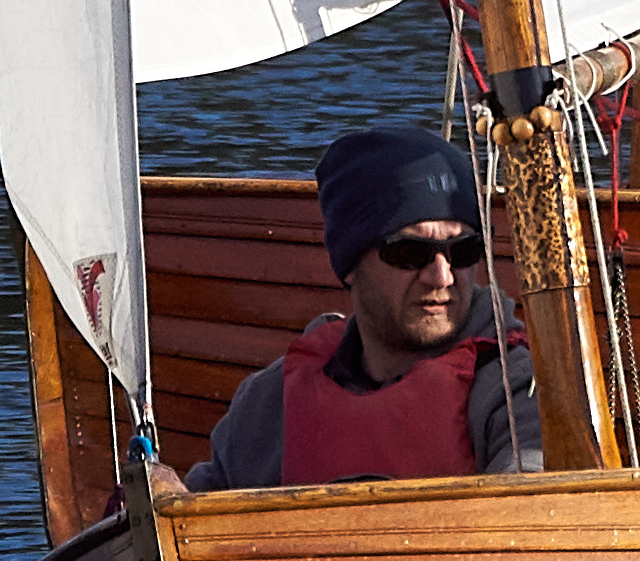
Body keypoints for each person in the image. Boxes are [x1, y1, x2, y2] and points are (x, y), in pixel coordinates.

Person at [194, 120, 542, 487]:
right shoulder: (268, 403)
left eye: (464, 250)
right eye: (409, 252)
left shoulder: (522, 395)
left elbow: (539, 493)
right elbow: (190, 514)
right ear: (350, 266)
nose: (442, 276)